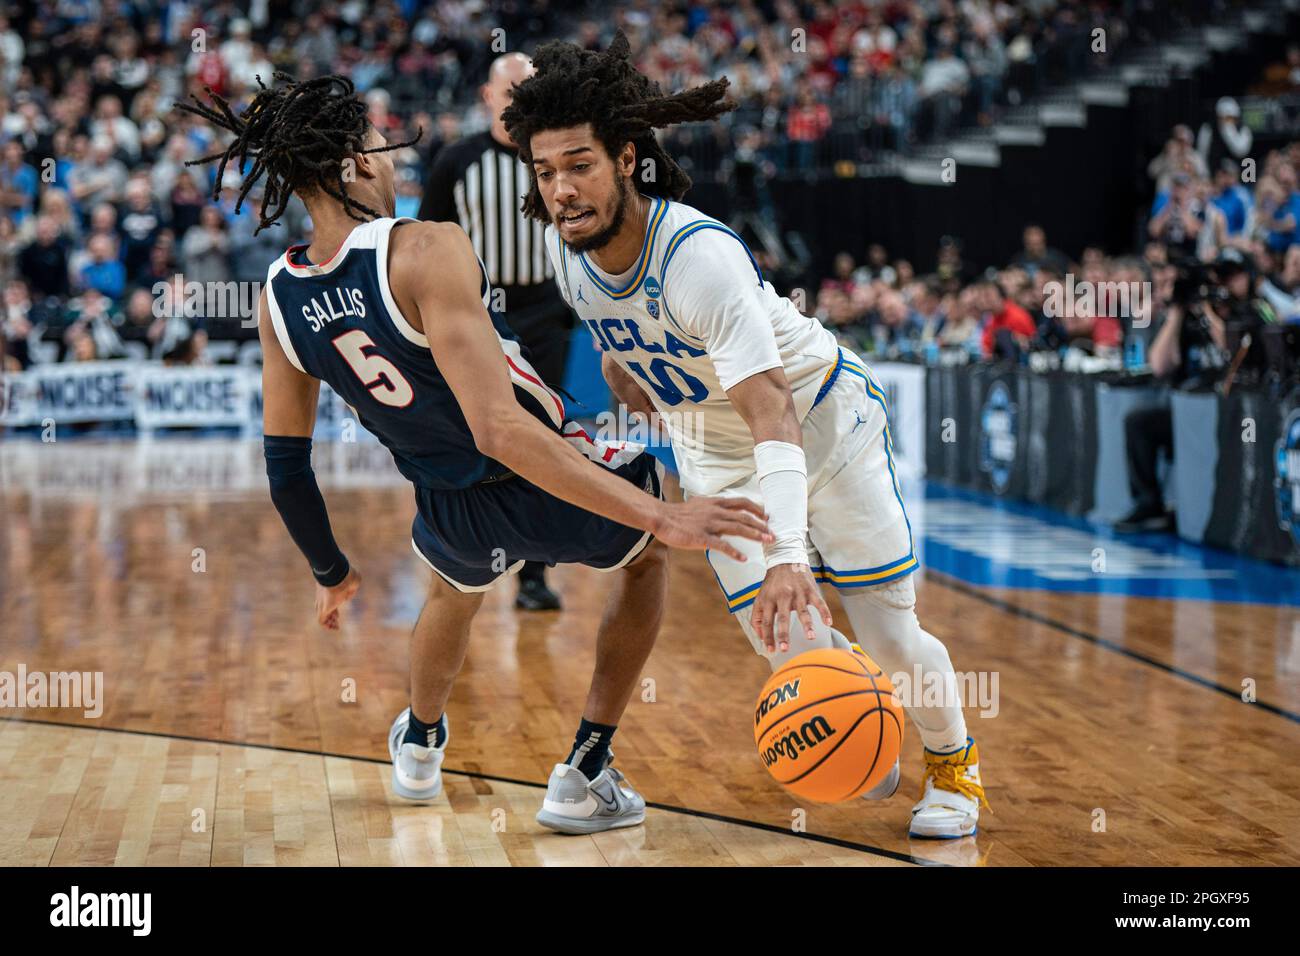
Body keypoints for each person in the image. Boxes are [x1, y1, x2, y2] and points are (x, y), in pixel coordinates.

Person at [178, 73, 770, 835]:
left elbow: (286, 467)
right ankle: (585, 771)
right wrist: (662, 514)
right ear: (357, 166)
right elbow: (501, 428)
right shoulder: (426, 247)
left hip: (447, 500)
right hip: (538, 465)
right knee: (651, 552)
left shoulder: (278, 298)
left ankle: (420, 749)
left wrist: (333, 572)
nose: (394, 166)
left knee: (452, 597)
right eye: (382, 153)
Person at [504, 33, 989, 840]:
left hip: (820, 423)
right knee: (791, 647)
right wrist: (651, 411)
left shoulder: (699, 257)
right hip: (719, 451)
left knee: (888, 635)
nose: (561, 189)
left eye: (580, 164)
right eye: (545, 171)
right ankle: (863, 728)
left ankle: (956, 770)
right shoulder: (570, 262)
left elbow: (774, 412)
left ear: (627, 158)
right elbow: (627, 357)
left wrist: (791, 556)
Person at [418, 52, 571, 612]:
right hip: (476, 318)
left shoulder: (554, 158)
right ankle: (458, 565)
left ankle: (533, 575)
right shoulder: (456, 161)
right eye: (511, 91)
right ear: (487, 96)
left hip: (543, 311)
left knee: (545, 439)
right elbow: (427, 244)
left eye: (529, 91)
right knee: (467, 440)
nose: (519, 101)